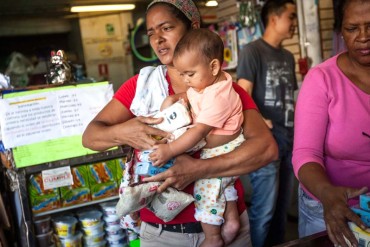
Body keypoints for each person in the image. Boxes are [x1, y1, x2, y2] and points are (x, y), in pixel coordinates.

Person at [82, 0, 278, 246]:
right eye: (152, 33)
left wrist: (199, 169)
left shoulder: (224, 90)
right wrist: (124, 132)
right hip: (161, 234)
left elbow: (266, 149)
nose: (157, 40)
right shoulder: (140, 88)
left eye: (166, 28)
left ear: (193, 26)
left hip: (228, 228)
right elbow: (90, 137)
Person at [149, 28, 244, 247]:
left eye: (189, 74)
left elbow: (199, 132)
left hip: (224, 149)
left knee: (207, 187)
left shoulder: (219, 96)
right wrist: (173, 101)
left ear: (213, 66)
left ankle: (212, 238)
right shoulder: (207, 84)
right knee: (221, 184)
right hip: (219, 145)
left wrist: (170, 150)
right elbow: (190, 99)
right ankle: (231, 222)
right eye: (181, 74)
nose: (185, 80)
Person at [292, 0, 370, 246]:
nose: (363, 37)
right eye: (352, 28)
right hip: (329, 205)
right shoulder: (322, 79)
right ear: (341, 32)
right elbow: (305, 154)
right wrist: (327, 194)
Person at [236, 0, 297, 246]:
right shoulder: (252, 51)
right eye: (291, 16)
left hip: (289, 140)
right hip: (267, 143)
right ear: (274, 18)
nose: (294, 22)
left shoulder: (288, 56)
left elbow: (288, 100)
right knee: (264, 212)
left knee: (281, 212)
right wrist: (262, 123)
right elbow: (243, 94)